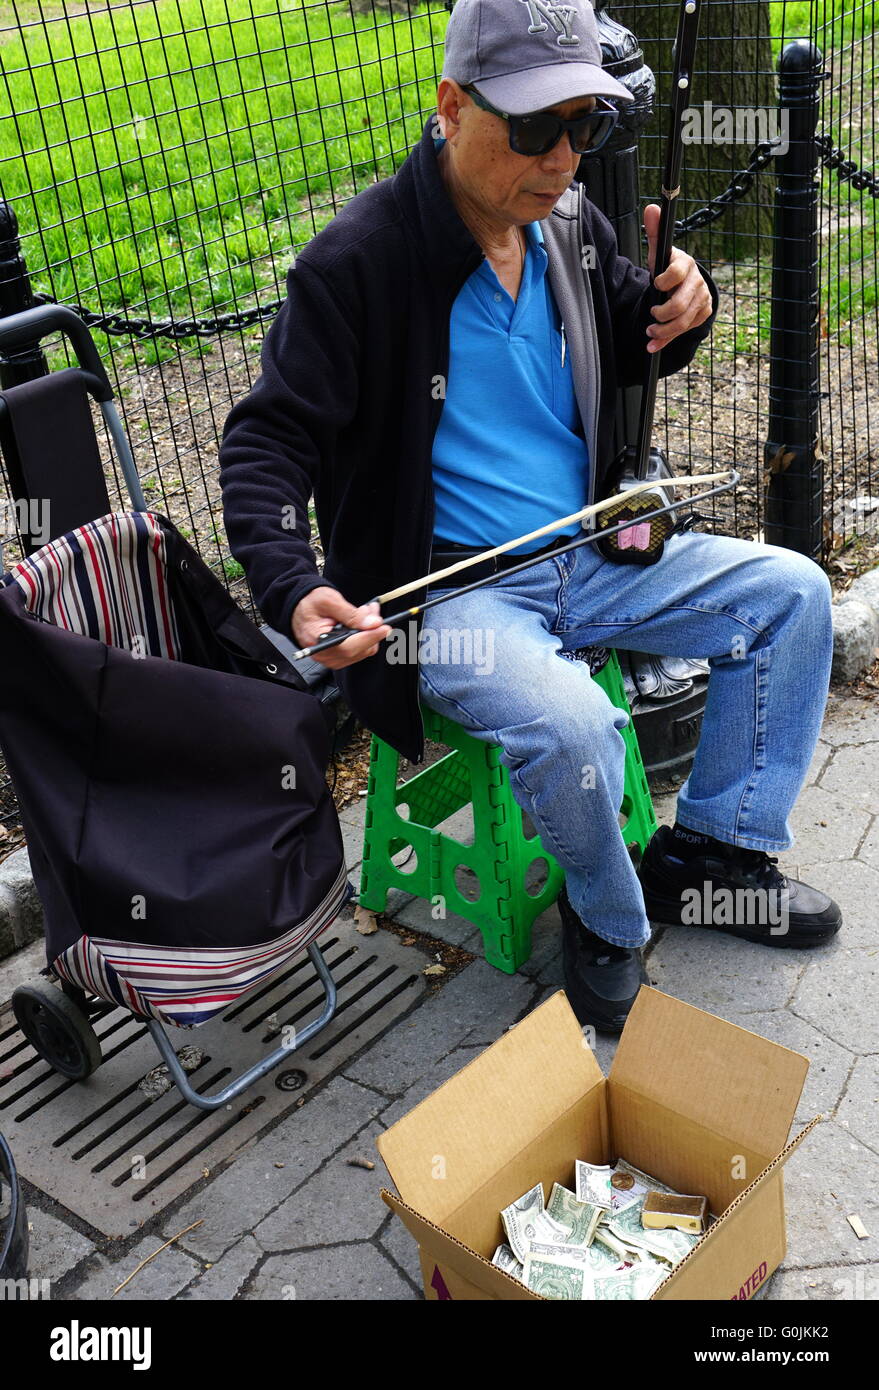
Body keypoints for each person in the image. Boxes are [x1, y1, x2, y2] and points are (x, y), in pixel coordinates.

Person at [220, 0, 841, 1033]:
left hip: (591, 550)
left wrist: (685, 308)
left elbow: (632, 334)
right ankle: (604, 916)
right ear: (450, 107)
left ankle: (711, 853)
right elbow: (265, 442)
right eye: (534, 128)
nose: (562, 159)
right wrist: (293, 585)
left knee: (794, 595)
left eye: (585, 128)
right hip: (457, 594)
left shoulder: (566, 225)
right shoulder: (358, 265)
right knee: (574, 724)